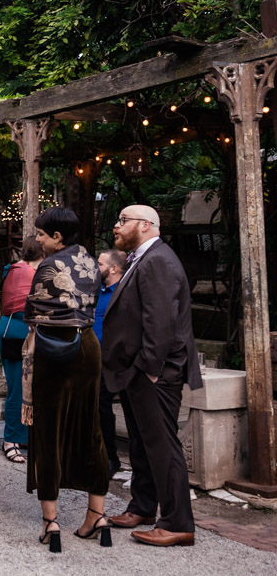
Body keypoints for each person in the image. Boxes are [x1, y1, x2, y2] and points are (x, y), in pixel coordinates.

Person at [103, 205, 202, 547]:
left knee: (161, 444)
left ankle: (177, 522)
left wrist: (149, 369)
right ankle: (143, 506)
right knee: (142, 443)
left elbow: (160, 322)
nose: (117, 226)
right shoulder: (142, 258)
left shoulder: (158, 260)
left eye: (123, 220)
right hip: (137, 371)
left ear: (145, 225)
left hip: (154, 372)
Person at [23, 207, 110, 553]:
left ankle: (51, 522)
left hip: (54, 347)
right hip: (88, 346)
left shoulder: (49, 266)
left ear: (57, 237)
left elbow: (31, 310)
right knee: (91, 428)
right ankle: (96, 515)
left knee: (49, 429)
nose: (37, 240)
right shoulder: (89, 260)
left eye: (41, 235)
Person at [0, 236, 41, 463]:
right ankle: (10, 439)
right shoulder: (26, 272)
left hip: (17, 329)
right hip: (16, 330)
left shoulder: (12, 268)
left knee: (28, 388)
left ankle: (22, 435)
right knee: (17, 388)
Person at [95, 249, 127, 477]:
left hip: (119, 360)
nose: (96, 268)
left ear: (114, 268)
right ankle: (108, 457)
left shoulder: (126, 292)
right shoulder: (97, 291)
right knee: (99, 407)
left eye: (100, 264)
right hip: (96, 360)